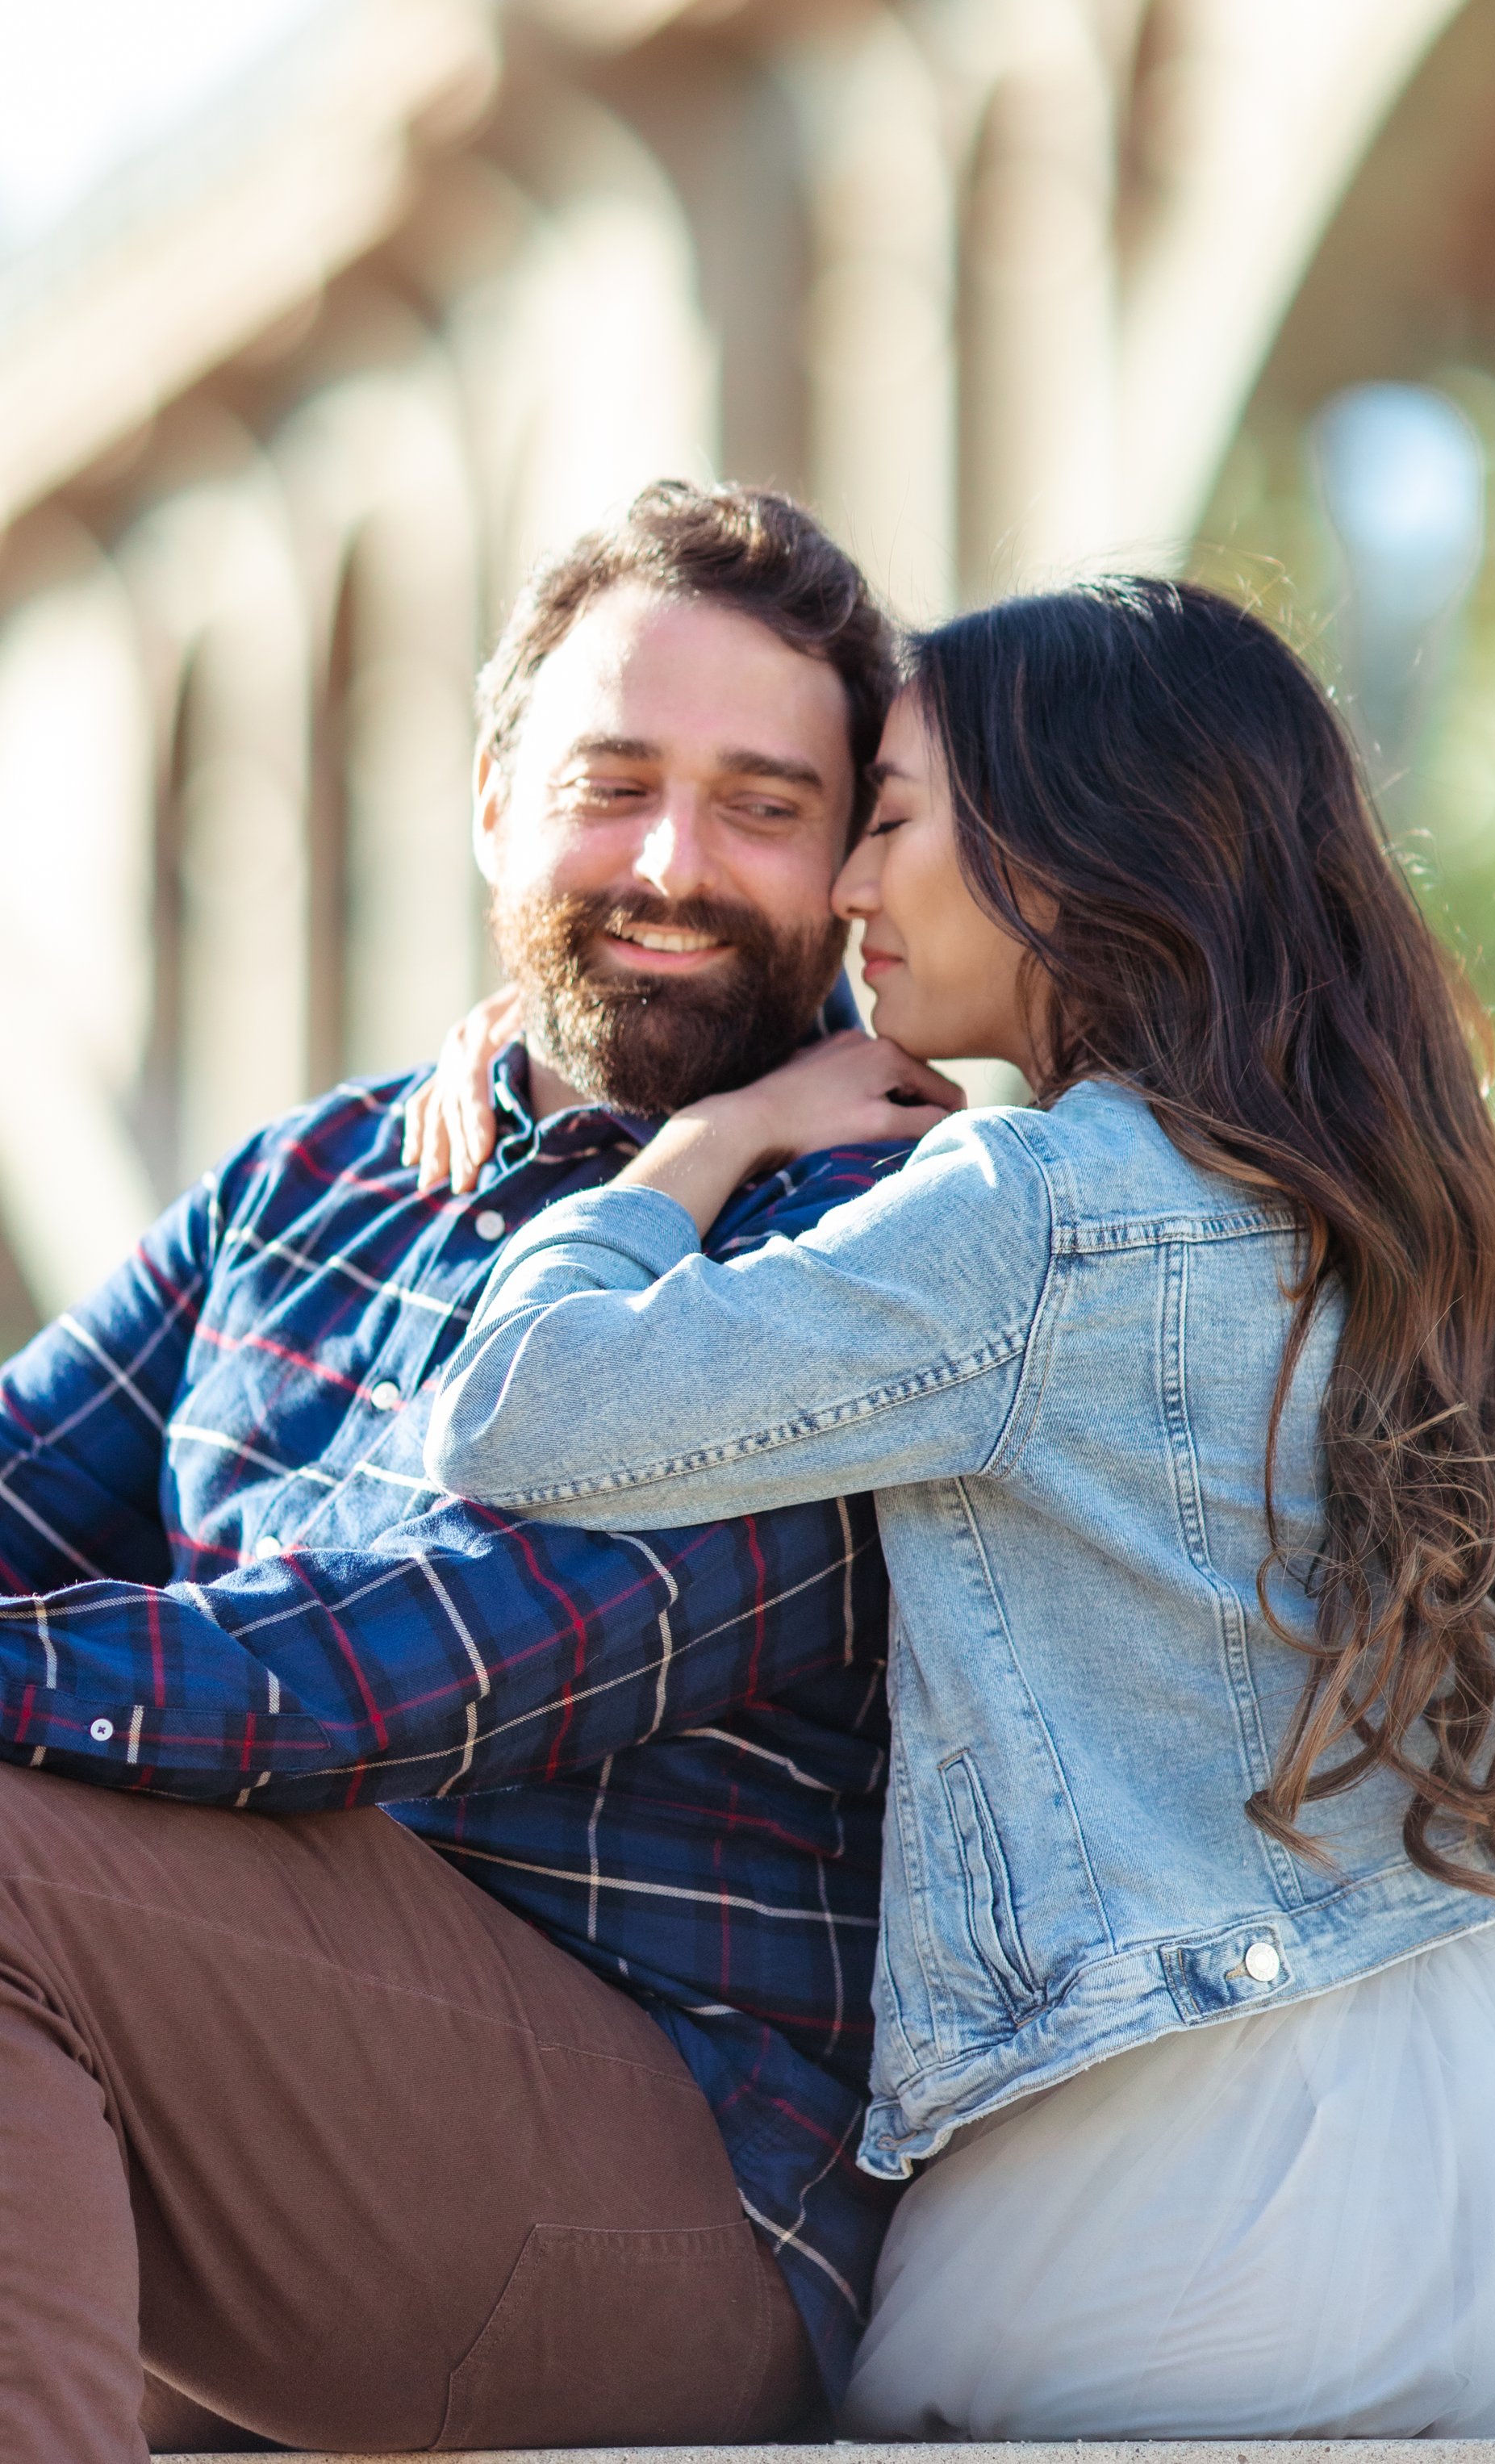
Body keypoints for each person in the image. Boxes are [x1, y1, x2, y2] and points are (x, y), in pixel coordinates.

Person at [427, 574, 1495, 2441]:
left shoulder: (1019, 1218)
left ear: (1065, 843)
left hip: (1195, 2163)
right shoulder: (1346, 1180)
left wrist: (700, 1145)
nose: (851, 887)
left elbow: (516, 1416)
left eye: (893, 821)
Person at [0, 479, 963, 2464]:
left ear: (846, 866)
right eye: (610, 783)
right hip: (250, 2080)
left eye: (762, 807)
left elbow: (402, 1668)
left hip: (668, 2200)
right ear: (490, 804)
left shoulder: (877, 1252)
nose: (671, 863)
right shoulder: (317, 1178)